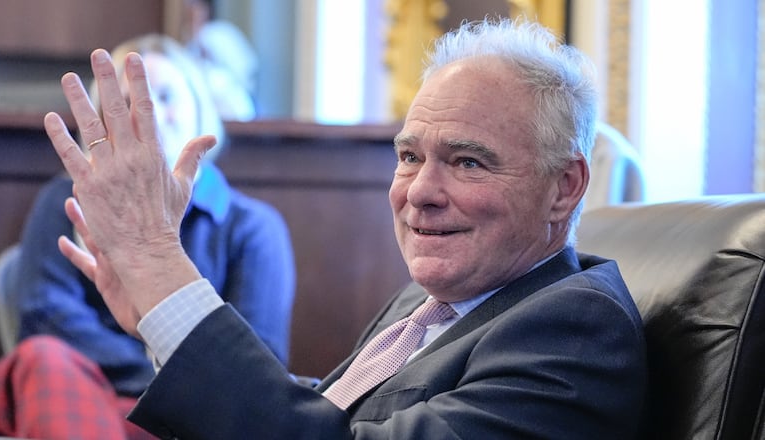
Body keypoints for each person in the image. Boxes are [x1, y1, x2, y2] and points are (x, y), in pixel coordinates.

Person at [42, 18, 647, 439]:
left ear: (563, 186)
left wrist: (160, 270)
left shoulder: (575, 328)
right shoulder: (431, 302)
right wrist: (159, 321)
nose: (420, 193)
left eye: (467, 162)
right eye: (409, 157)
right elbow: (323, 414)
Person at [0, 34, 295, 439]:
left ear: (200, 112)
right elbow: (45, 318)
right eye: (127, 104)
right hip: (79, 393)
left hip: (189, 415)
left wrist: (176, 390)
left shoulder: (254, 226)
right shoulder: (62, 201)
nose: (151, 115)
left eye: (165, 95)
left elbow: (259, 363)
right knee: (44, 359)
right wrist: (162, 377)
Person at [180, 0, 258, 121]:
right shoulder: (186, 44)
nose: (192, 11)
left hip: (231, 104)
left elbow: (246, 72)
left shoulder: (223, 34)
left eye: (196, 6)